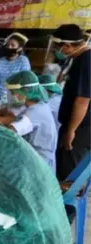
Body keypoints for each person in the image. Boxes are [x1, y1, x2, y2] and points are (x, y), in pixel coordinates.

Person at [51, 24, 91, 180]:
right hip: (75, 125)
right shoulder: (77, 58)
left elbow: (83, 100)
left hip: (80, 128)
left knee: (68, 172)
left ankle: (64, 203)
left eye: (57, 46)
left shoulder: (86, 60)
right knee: (64, 166)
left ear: (67, 45)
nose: (56, 50)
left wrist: (71, 131)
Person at [4, 71, 58, 171]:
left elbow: (10, 133)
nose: (11, 95)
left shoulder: (34, 113)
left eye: (13, 92)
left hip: (37, 165)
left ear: (25, 91)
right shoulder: (40, 105)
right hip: (37, 158)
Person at [0, 32, 31, 100]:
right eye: (7, 45)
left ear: (19, 48)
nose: (9, 47)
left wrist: (18, 99)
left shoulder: (23, 60)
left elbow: (25, 81)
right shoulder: (0, 61)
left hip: (14, 99)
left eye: (13, 45)